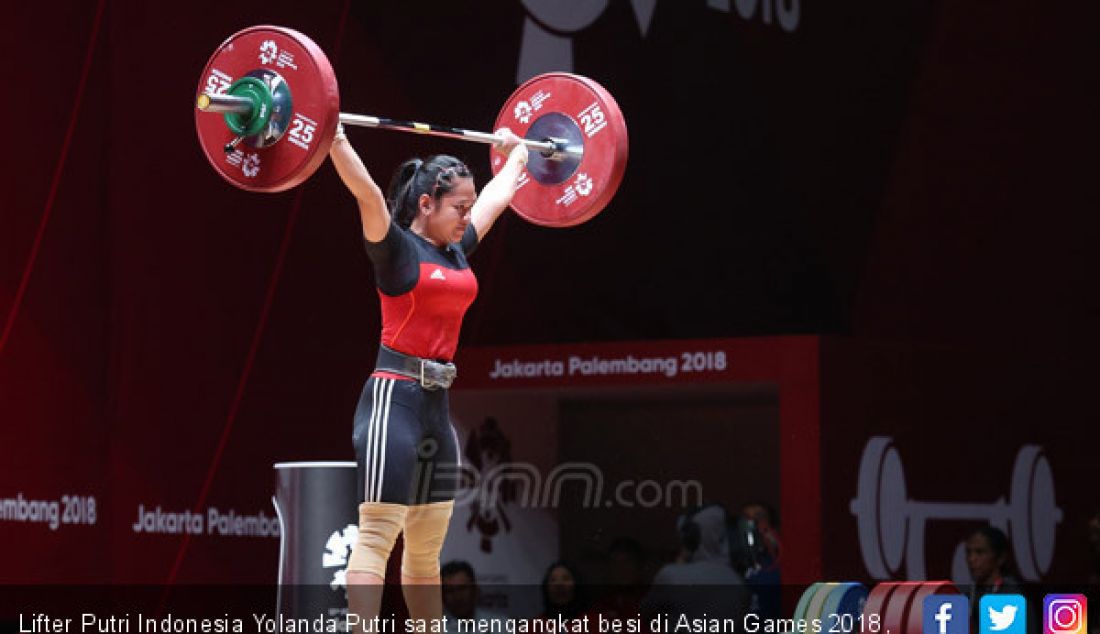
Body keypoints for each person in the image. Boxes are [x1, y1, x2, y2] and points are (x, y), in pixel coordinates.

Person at [328, 122, 529, 628]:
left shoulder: (457, 248)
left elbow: (501, 196)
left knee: (425, 550)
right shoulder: (394, 251)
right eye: (459, 208)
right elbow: (366, 191)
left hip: (436, 409)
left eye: (468, 206)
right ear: (426, 206)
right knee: (377, 537)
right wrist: (333, 137)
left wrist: (516, 151)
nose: (467, 215)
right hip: (392, 402)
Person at [640, 504, 751, 630]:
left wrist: (679, 565)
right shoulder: (738, 582)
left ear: (690, 539)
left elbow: (646, 614)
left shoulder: (671, 575)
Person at [965, 526, 1022, 632]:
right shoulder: (967, 596)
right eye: (969, 552)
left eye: (979, 552)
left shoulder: (1012, 597)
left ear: (1000, 558)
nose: (971, 559)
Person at [440, 560, 507, 632]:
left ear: (475, 589)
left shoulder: (500, 624)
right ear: (442, 595)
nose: (457, 597)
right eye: (450, 591)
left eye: (462, 588)